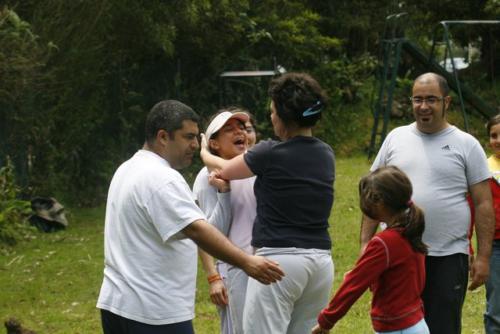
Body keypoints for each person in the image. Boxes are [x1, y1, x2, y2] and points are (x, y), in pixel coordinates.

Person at [96, 100, 284, 334]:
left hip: (117, 306)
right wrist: (247, 263)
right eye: (188, 137)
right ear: (163, 137)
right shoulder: (162, 178)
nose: (196, 145)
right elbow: (197, 230)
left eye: (197, 138)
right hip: (154, 313)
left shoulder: (127, 168)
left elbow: (200, 228)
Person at [201, 72, 335, 334]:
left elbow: (227, 169)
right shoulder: (326, 153)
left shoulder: (269, 152)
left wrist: (205, 153)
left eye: (273, 111)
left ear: (284, 117)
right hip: (321, 263)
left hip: (279, 262)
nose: (271, 117)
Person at [361, 73, 494, 334]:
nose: (423, 106)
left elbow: (483, 204)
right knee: (396, 325)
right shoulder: (395, 138)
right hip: (399, 254)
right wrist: (366, 243)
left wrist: (485, 257)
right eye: (417, 99)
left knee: (443, 327)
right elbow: (373, 195)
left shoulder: (466, 144)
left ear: (447, 102)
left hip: (447, 257)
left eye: (431, 99)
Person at [312, 166, 429, 334]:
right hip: (416, 324)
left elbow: (354, 285)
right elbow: (401, 280)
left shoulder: (384, 242)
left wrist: (326, 320)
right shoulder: (410, 231)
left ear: (379, 202)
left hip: (396, 329)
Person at [193, 108, 257, 334]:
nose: (239, 132)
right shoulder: (207, 177)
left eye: (241, 127)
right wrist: (214, 278)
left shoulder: (255, 168)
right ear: (214, 145)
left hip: (264, 264)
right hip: (234, 269)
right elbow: (211, 233)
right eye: (229, 130)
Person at [484, 114, 500, 333]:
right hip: (495, 245)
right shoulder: (484, 168)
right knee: (496, 304)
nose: (497, 140)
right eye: (493, 135)